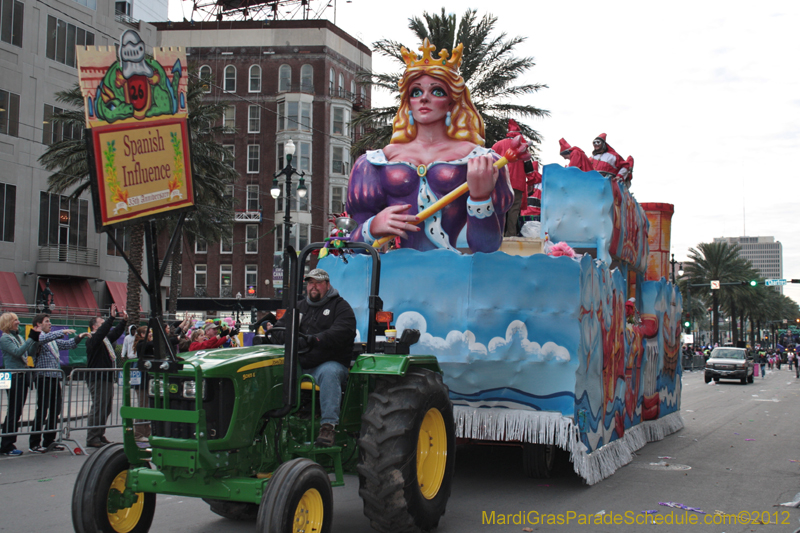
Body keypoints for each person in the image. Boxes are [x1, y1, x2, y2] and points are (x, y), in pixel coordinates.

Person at [347, 38, 514, 253]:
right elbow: (353, 249)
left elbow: (487, 247)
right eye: (416, 92)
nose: (424, 98)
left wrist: (480, 199)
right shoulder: (374, 163)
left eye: (437, 91)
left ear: (451, 103)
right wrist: (372, 227)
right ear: (408, 102)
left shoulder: (481, 160)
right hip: (393, 279)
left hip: (453, 278)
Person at [268, 269, 357, 447]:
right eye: (310, 283)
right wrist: (275, 333)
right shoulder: (299, 307)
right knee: (271, 370)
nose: (313, 287)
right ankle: (272, 422)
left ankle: (328, 426)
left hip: (328, 362)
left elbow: (342, 331)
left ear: (327, 285)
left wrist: (315, 339)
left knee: (329, 372)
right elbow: (281, 329)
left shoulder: (340, 307)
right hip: (300, 363)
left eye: (317, 283)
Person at [28, 314, 87, 453]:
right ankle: (34, 443)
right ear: (38, 324)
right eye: (47, 321)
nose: (50, 323)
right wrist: (62, 332)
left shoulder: (52, 340)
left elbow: (68, 344)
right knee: (42, 409)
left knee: (56, 409)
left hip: (55, 376)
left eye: (50, 321)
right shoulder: (37, 337)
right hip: (44, 376)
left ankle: (50, 440)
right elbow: (42, 339)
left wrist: (80, 337)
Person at [84, 304, 128, 448]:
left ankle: (99, 433)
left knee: (106, 407)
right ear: (95, 327)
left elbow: (115, 333)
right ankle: (92, 437)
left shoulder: (105, 339)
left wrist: (123, 321)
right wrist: (111, 318)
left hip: (107, 377)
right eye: (102, 324)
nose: (106, 326)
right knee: (98, 406)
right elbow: (104, 332)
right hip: (97, 377)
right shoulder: (92, 339)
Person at [0, 313, 38, 456]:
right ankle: (6, 445)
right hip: (13, 377)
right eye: (15, 320)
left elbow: (28, 353)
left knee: (17, 411)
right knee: (13, 410)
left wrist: (35, 341)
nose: (18, 322)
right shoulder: (5, 338)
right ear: (8, 322)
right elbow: (17, 352)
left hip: (22, 376)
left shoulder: (19, 337)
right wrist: (30, 339)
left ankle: (8, 443)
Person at [492, 119, 532, 237]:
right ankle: (511, 235)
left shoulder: (497, 145)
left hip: (500, 182)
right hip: (517, 183)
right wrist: (531, 181)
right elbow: (529, 168)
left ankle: (499, 234)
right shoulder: (522, 147)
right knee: (514, 209)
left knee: (500, 207)